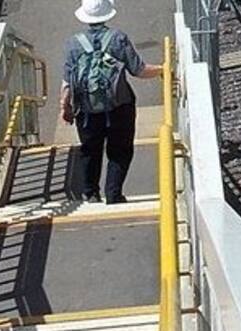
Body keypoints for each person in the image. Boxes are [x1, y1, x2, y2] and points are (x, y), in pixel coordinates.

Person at [61, 0, 162, 204]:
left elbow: (67, 82)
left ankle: (90, 194)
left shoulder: (73, 43)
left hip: (87, 110)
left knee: (90, 151)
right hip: (120, 106)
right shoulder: (118, 38)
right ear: (108, 14)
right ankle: (114, 194)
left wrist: (65, 107)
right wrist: (163, 69)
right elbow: (139, 70)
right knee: (120, 150)